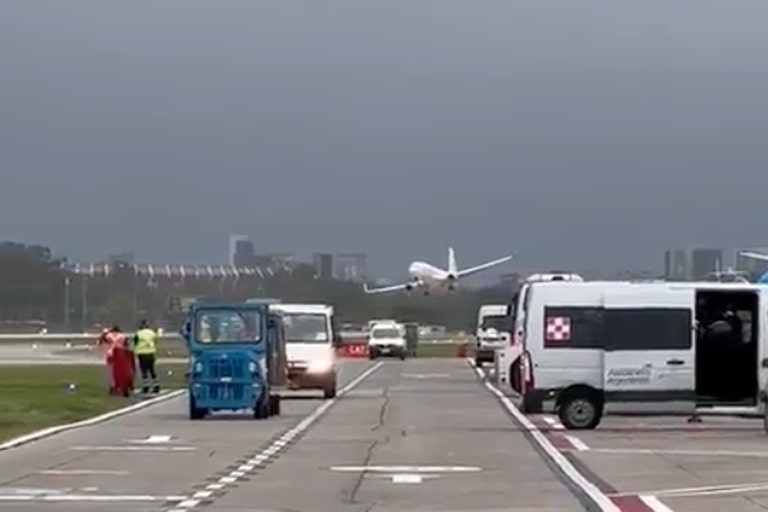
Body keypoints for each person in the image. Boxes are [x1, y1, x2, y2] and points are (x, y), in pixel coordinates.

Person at [134, 320, 160, 394]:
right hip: (151, 353)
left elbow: (136, 342)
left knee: (144, 371)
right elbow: (155, 341)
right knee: (152, 370)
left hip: (142, 354)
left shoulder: (138, 333)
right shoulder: (152, 332)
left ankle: (146, 387)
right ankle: (156, 386)